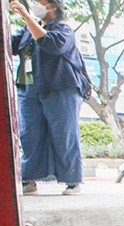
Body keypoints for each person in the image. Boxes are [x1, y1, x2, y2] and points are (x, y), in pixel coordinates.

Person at [10, 0, 89, 196]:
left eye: (40, 2)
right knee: (30, 134)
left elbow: (51, 45)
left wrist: (27, 17)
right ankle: (29, 180)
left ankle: (72, 180)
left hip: (60, 87)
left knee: (64, 133)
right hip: (29, 87)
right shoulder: (27, 30)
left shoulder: (63, 30)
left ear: (52, 6)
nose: (35, 4)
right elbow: (11, 46)